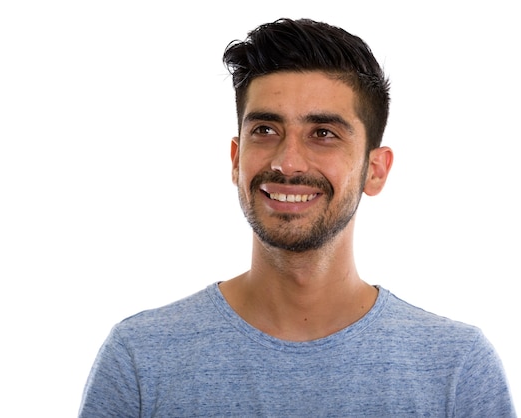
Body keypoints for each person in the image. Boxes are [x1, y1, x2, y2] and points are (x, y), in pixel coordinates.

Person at [78, 18, 516, 417]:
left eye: (323, 134)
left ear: (375, 170)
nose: (287, 162)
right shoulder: (140, 359)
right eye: (265, 131)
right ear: (236, 159)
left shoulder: (458, 371)